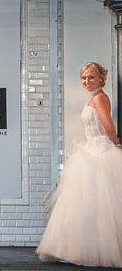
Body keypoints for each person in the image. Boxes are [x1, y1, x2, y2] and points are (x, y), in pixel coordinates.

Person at [36, 62, 122, 267]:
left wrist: (116, 143)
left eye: (91, 77)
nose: (86, 81)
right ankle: (84, 249)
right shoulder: (94, 98)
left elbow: (109, 127)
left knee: (97, 204)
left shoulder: (100, 98)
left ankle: (89, 251)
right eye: (83, 77)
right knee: (89, 205)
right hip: (91, 148)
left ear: (101, 79)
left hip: (99, 151)